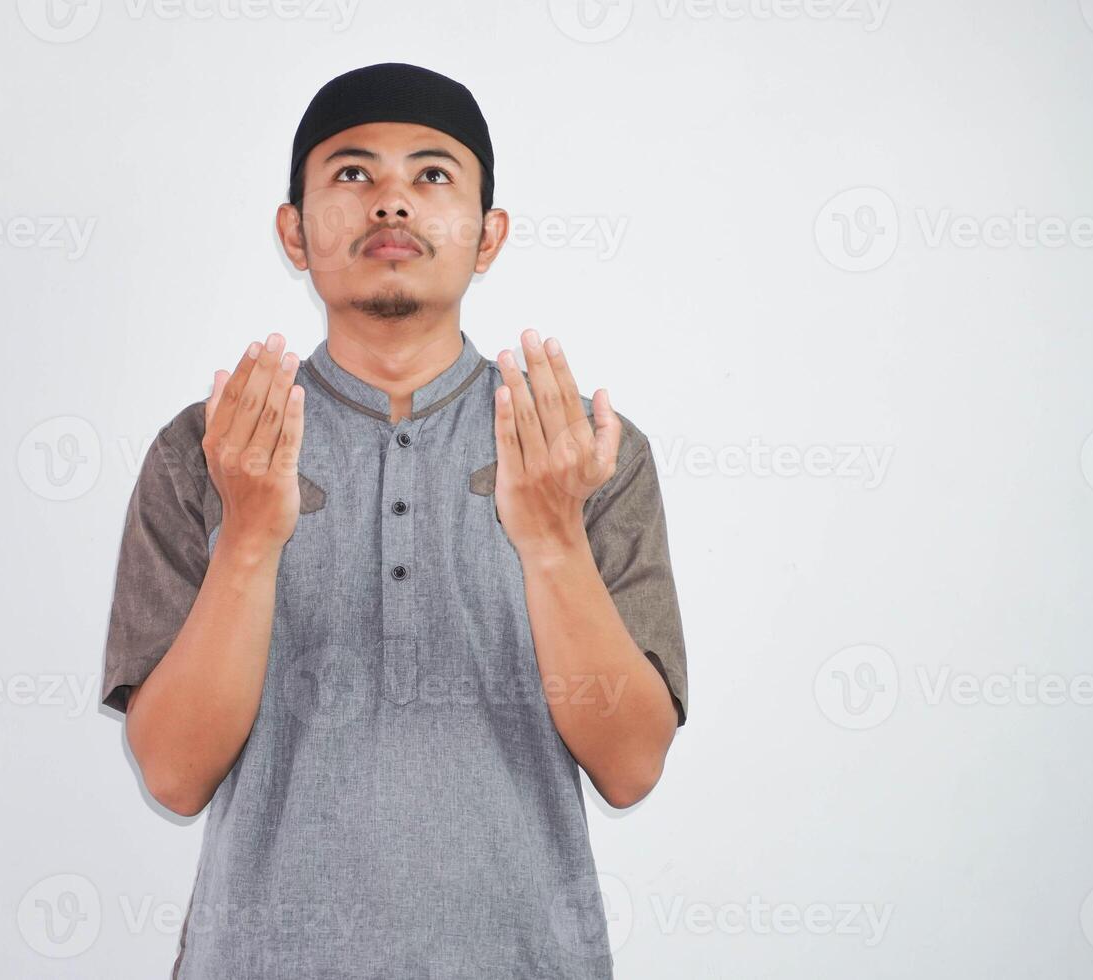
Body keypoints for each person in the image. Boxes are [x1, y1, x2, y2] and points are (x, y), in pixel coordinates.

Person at [100, 61, 688, 980]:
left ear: (488, 235)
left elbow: (632, 764)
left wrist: (552, 537)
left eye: (432, 175)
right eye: (351, 174)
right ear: (294, 232)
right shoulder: (211, 451)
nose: (390, 204)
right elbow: (174, 776)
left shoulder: (583, 452)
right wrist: (249, 537)